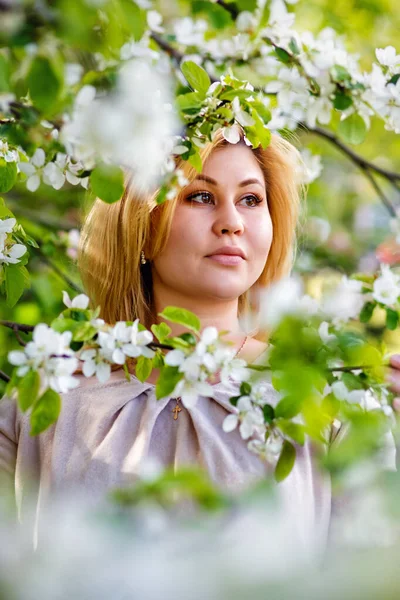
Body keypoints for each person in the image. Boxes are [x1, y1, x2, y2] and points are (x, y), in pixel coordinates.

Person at [0, 128, 398, 553]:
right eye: (200, 197)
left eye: (251, 200)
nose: (232, 222)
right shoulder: (50, 397)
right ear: (141, 221)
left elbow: (372, 572)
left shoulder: (326, 400)